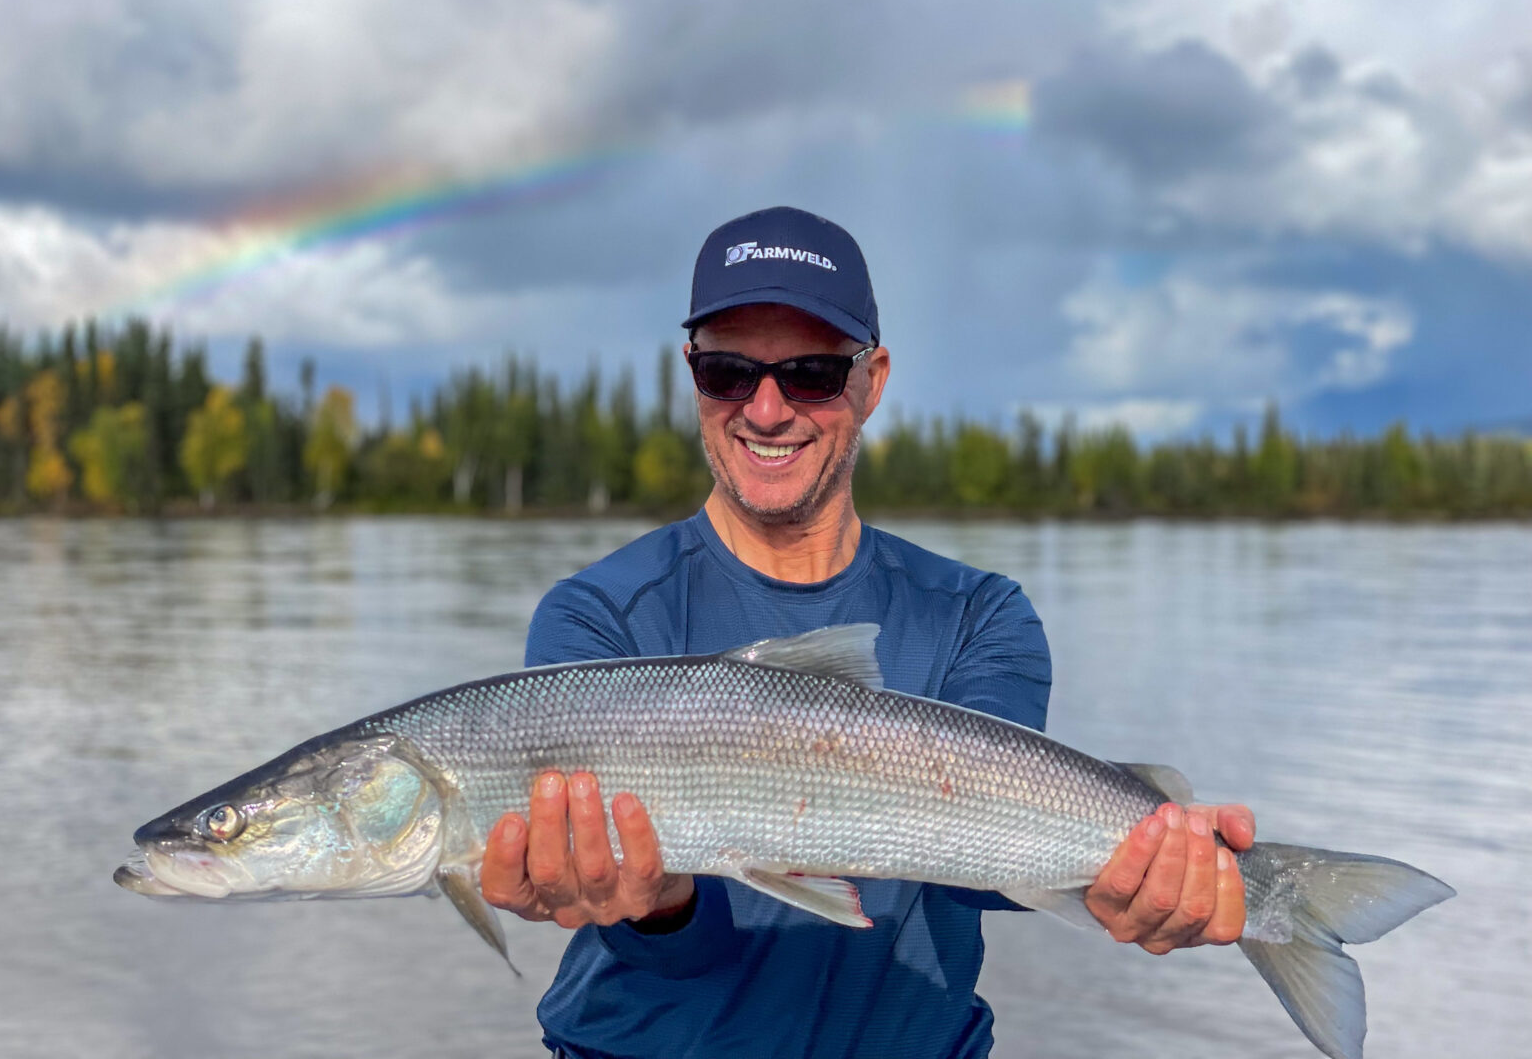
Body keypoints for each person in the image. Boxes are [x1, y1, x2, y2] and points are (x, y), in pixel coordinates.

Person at [480, 206, 1255, 1058]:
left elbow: (980, 871)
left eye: (811, 373)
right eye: (729, 372)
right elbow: (671, 949)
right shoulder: (597, 616)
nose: (766, 410)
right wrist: (657, 902)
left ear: (872, 381)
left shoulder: (979, 614)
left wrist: (1146, 872)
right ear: (691, 373)